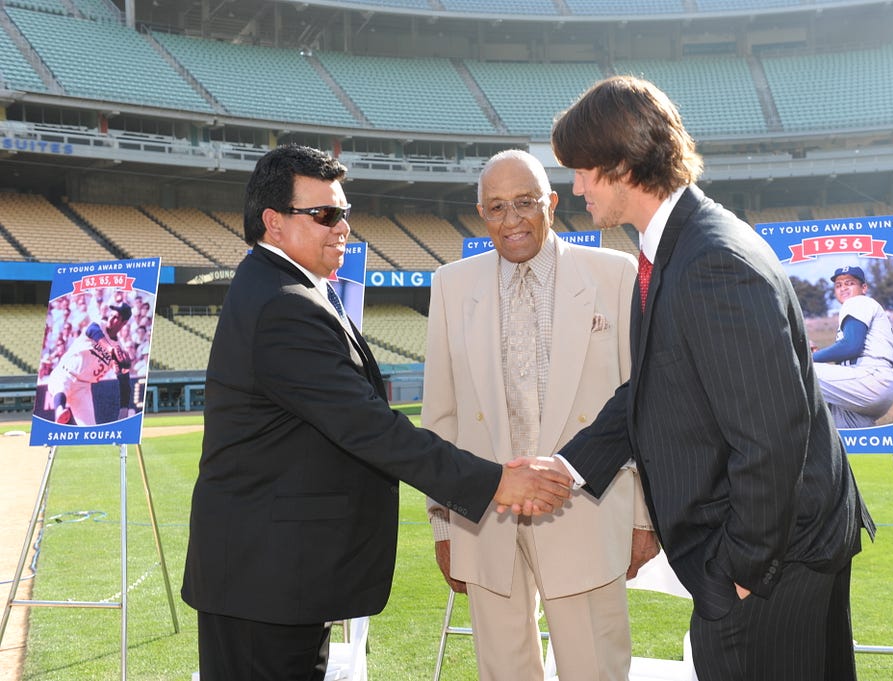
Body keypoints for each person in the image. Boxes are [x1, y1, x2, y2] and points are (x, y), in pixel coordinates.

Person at [522, 76, 876, 681]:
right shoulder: (677, 247)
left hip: (775, 564)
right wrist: (568, 468)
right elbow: (653, 386)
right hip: (783, 554)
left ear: (623, 165)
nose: (575, 188)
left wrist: (739, 571)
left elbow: (771, 435)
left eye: (582, 170)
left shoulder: (711, 260)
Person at [180, 144, 571, 681]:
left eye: (343, 212)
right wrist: (497, 482)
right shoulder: (283, 303)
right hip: (265, 583)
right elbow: (369, 428)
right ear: (274, 222)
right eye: (324, 214)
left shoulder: (288, 289)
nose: (343, 227)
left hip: (277, 578)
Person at [422, 150, 658, 681]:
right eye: (497, 207)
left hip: (587, 508)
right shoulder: (451, 285)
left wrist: (644, 517)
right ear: (481, 213)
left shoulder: (615, 275)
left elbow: (640, 406)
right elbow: (441, 415)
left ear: (551, 203)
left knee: (594, 671)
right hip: (484, 516)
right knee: (502, 672)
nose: (511, 220)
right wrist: (442, 523)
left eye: (525, 203)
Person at [812, 265, 893, 428]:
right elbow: (849, 350)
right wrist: (818, 357)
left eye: (849, 283)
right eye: (838, 285)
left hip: (870, 378)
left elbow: (851, 346)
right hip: (869, 386)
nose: (843, 288)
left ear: (864, 288)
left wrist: (808, 357)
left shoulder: (857, 302)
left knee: (795, 370)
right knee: (847, 436)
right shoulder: (864, 307)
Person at [46, 301, 133, 425]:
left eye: (116, 317)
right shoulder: (98, 325)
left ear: (123, 323)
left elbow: (124, 382)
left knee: (89, 427)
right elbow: (93, 331)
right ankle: (60, 410)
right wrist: (110, 349)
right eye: (111, 315)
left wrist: (124, 409)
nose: (111, 318)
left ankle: (62, 414)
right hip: (65, 372)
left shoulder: (119, 349)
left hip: (83, 388)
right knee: (61, 386)